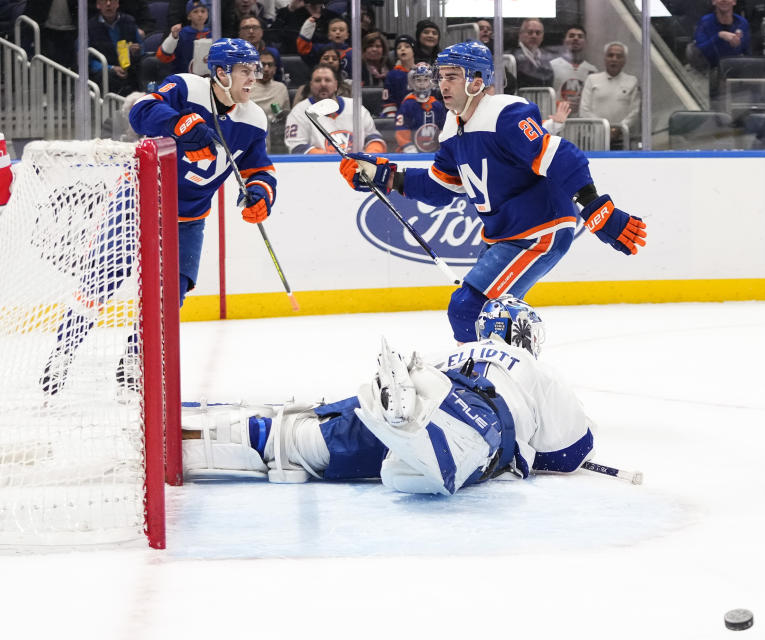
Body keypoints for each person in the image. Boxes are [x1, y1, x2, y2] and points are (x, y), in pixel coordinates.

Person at [337, 41, 646, 343]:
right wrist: (383, 176)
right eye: (441, 76)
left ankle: (477, 386)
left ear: (477, 81)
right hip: (505, 232)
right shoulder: (453, 126)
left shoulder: (505, 113)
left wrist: (594, 207)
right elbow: (441, 186)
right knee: (492, 318)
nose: (442, 85)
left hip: (540, 228)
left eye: (452, 76)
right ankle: (497, 378)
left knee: (467, 308)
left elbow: (559, 155)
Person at [181, 296, 596, 496]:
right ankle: (418, 432)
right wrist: (528, 457)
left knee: (301, 441)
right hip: (482, 414)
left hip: (432, 380)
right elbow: (570, 453)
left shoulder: (455, 351)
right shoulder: (533, 366)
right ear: (525, 334)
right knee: (461, 448)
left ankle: (210, 440)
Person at [129, 38, 277, 307]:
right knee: (101, 277)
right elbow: (140, 111)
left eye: (255, 70)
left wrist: (260, 193)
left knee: (174, 293)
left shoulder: (254, 119)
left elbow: (259, 169)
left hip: (190, 216)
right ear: (221, 72)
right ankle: (65, 343)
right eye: (245, 70)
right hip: (139, 201)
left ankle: (137, 349)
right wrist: (178, 122)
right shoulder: (187, 88)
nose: (254, 78)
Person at [284, 63, 386, 153]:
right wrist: (331, 160)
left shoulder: (355, 107)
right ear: (311, 85)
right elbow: (297, 148)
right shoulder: (299, 112)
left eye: (327, 80)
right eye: (318, 80)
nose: (323, 84)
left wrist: (371, 155)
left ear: (336, 85)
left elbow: (373, 138)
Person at [580, 42, 640, 149]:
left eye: (619, 56)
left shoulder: (632, 81)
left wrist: (619, 128)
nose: (614, 59)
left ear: (624, 61)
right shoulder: (592, 79)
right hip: (595, 138)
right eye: (610, 55)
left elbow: (635, 112)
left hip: (622, 139)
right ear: (605, 58)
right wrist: (604, 128)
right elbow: (584, 110)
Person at [88, 0, 143, 96]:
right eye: (104, 1)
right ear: (98, 5)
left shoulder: (129, 21)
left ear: (117, 4)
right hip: (107, 70)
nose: (108, 4)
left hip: (129, 67)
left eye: (112, 1)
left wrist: (136, 51)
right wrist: (111, 68)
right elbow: (88, 59)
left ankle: (150, 101)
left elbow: (141, 48)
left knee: (148, 66)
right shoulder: (90, 26)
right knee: (108, 75)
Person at [395, 62, 446, 153]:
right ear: (412, 81)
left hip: (434, 151)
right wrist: (408, 146)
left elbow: (444, 127)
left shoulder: (437, 105)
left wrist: (443, 144)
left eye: (426, 80)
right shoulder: (407, 104)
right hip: (410, 152)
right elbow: (402, 128)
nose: (422, 84)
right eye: (418, 80)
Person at [549, 25, 598, 117]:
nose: (576, 38)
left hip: (583, 122)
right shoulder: (552, 66)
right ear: (564, 41)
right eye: (571, 36)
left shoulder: (592, 70)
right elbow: (547, 97)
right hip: (558, 119)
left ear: (585, 42)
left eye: (580, 36)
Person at [690, 0, 750, 71]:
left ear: (734, 2)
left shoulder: (742, 23)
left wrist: (738, 44)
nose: (724, 0)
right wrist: (720, 36)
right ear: (713, 1)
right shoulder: (705, 22)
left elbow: (747, 54)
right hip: (707, 72)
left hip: (734, 73)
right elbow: (699, 52)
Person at [157, 0, 210, 75]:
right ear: (188, 16)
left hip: (206, 79)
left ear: (207, 14)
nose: (200, 14)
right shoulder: (181, 34)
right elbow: (162, 56)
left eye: (203, 11)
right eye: (195, 11)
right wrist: (173, 37)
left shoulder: (212, 35)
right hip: (183, 77)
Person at [238, 16, 283, 82]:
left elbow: (279, 79)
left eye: (255, 28)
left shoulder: (273, 53)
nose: (251, 31)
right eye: (246, 28)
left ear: (261, 32)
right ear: (240, 33)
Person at [381, 34, 416, 117]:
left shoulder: (422, 72)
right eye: (399, 47)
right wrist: (392, 117)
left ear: (414, 50)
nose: (402, 49)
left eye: (407, 46)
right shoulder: (392, 75)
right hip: (399, 117)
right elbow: (388, 100)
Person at [513, 18, 553, 88]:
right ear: (521, 34)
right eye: (530, 32)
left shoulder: (548, 58)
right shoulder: (512, 56)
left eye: (538, 33)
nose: (534, 36)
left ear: (542, 36)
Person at [249, 50, 289, 115]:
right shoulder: (245, 88)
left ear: (275, 69)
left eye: (270, 65)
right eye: (262, 64)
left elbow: (285, 117)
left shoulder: (281, 88)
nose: (266, 69)